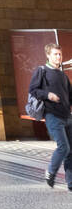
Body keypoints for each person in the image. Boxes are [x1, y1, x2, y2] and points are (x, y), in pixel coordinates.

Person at [29, 43, 72, 190]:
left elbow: (70, 96)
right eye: (55, 54)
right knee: (63, 147)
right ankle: (51, 172)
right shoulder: (42, 72)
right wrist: (48, 95)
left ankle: (71, 183)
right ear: (48, 55)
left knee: (70, 150)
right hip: (52, 115)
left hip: (67, 117)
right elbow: (33, 90)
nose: (58, 57)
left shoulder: (63, 76)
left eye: (60, 54)